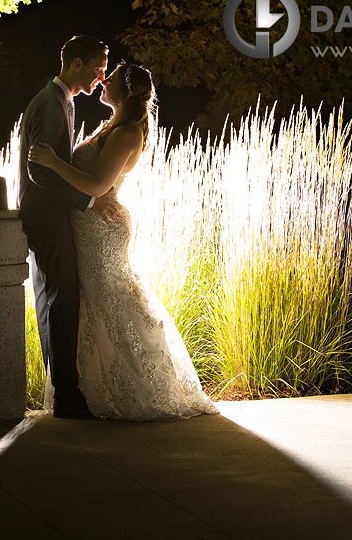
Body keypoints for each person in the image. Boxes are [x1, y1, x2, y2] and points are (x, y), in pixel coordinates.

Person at [29, 63, 218, 420]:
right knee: (93, 305)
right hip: (88, 225)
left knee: (110, 299)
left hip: (101, 230)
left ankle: (137, 388)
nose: (103, 81)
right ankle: (92, 385)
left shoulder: (128, 133)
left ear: (125, 92)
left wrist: (54, 163)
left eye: (110, 79)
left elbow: (99, 186)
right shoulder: (112, 126)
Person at [18, 35, 117, 420]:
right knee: (62, 299)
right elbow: (38, 170)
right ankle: (66, 393)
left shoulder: (61, 101)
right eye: (98, 68)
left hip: (48, 212)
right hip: (45, 214)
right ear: (77, 64)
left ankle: (62, 390)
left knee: (53, 298)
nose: (102, 77)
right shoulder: (51, 104)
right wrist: (91, 200)